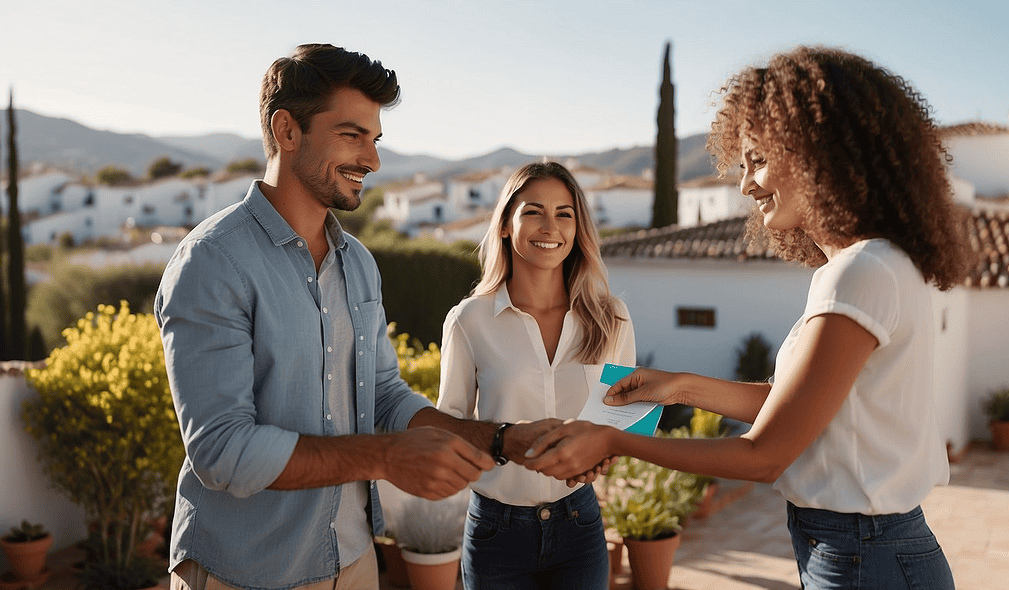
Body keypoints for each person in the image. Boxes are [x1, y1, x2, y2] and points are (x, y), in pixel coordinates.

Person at [524, 46, 967, 590]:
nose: (745, 183)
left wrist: (615, 441)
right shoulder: (877, 264)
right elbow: (796, 408)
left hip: (864, 557)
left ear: (816, 151)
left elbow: (765, 455)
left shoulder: (862, 272)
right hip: (864, 552)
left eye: (757, 159)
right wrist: (678, 387)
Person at [156, 44, 505, 590]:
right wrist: (388, 457)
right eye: (351, 135)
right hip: (245, 572)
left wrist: (498, 439)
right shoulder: (212, 262)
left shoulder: (359, 264)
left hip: (353, 561)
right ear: (288, 130)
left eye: (375, 139)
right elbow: (220, 450)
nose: (373, 160)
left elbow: (384, 395)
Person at [435, 161, 636, 590]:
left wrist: (603, 455)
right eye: (533, 211)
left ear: (578, 228)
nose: (551, 226)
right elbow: (447, 429)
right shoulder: (469, 321)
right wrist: (503, 440)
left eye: (564, 213)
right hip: (496, 531)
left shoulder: (611, 317)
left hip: (579, 523)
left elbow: (626, 418)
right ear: (506, 225)